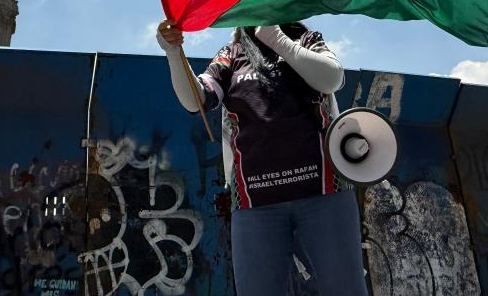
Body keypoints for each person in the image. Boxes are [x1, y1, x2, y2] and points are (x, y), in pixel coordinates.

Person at [156, 19, 369, 296]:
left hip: (325, 194)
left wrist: (279, 41)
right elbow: (195, 99)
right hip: (256, 205)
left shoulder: (304, 38)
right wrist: (173, 53)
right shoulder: (231, 54)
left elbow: (332, 79)